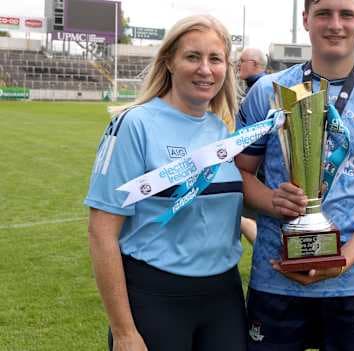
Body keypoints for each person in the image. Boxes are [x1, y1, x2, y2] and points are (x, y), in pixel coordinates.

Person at [235, 0, 354, 350]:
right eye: (323, 13)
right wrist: (271, 201)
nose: (335, 24)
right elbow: (237, 175)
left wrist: (343, 260)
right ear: (306, 19)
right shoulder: (267, 92)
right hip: (276, 279)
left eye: (346, 14)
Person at [85, 15, 246, 351]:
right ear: (169, 62)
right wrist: (125, 332)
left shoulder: (223, 131)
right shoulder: (134, 125)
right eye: (192, 56)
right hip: (155, 298)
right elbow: (101, 233)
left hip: (224, 299)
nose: (205, 69)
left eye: (215, 59)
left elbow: (217, 208)